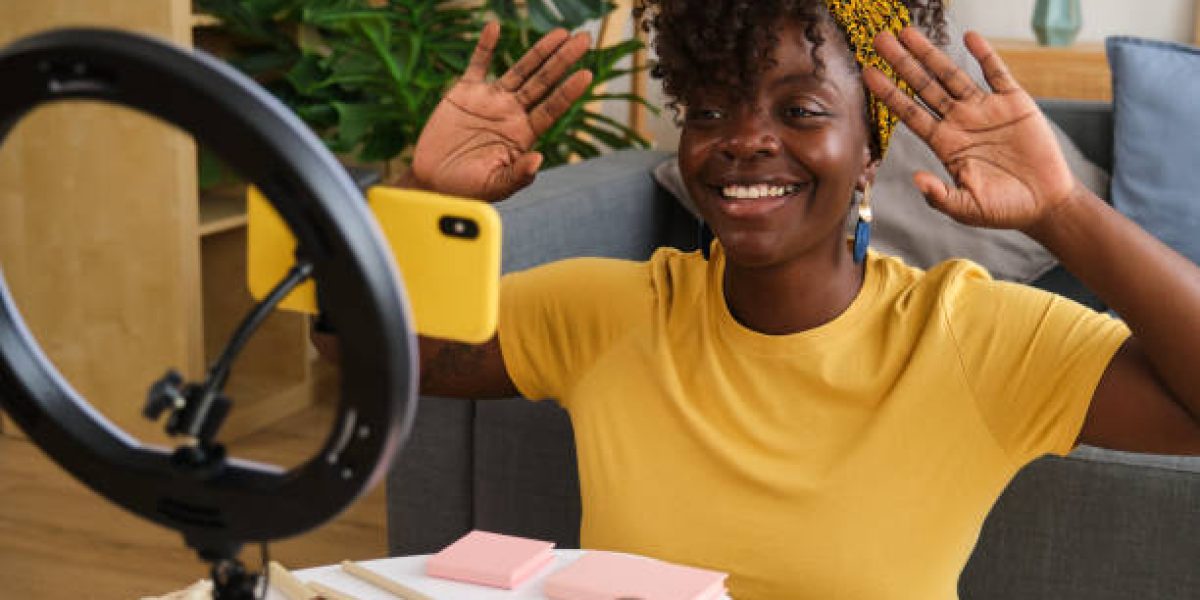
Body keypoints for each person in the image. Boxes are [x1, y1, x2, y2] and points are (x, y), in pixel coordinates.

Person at [320, 1, 1200, 597]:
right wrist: (424, 199)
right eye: (710, 112)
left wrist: (1063, 213)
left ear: (869, 150)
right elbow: (364, 352)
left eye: (802, 110)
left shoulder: (968, 334)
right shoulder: (609, 312)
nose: (744, 140)